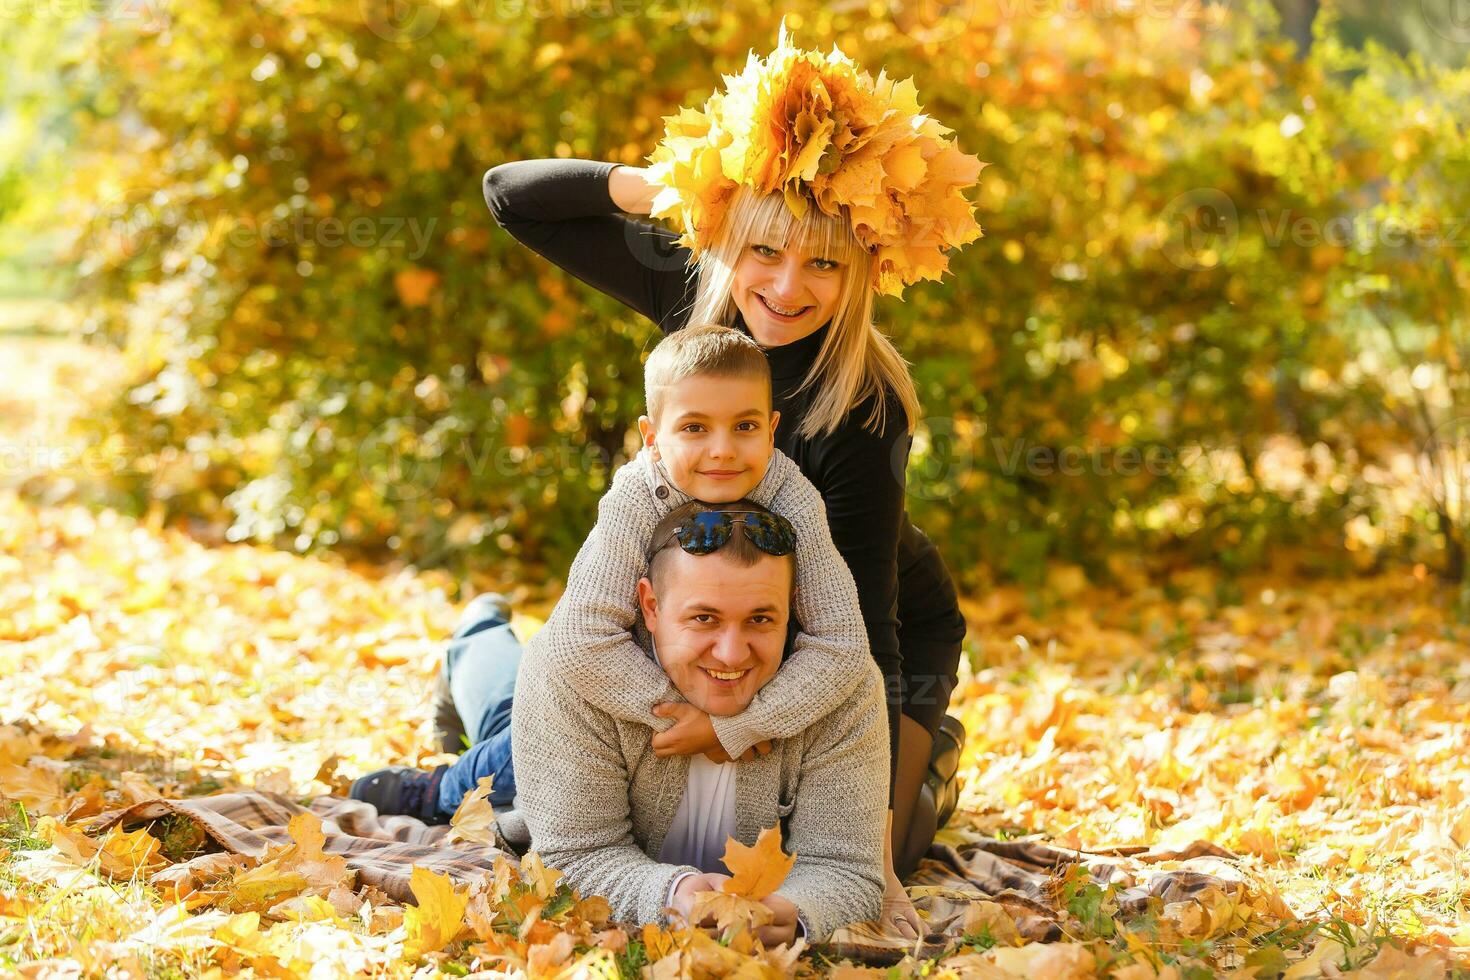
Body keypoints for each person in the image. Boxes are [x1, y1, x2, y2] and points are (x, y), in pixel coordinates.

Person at [477, 26, 983, 936]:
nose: (788, 287)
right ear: (730, 244)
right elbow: (513, 198)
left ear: (859, 271)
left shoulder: (861, 410)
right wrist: (683, 187)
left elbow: (863, 631)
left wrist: (852, 824)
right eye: (767, 251)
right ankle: (483, 652)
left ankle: (936, 760)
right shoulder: (699, 298)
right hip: (698, 601)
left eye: (824, 262)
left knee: (883, 852)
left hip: (861, 624)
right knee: (530, 771)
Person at [356, 322, 874, 819]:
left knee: (507, 708)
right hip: (610, 698)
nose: (722, 449)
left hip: (723, 682)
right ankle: (441, 781)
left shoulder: (795, 501)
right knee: (519, 744)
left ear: (772, 429)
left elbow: (843, 640)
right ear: (651, 436)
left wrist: (733, 726)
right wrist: (682, 718)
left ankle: (480, 638)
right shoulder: (635, 496)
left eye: (745, 426)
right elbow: (582, 638)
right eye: (695, 427)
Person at [360, 499, 891, 945]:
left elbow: (846, 867)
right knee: (503, 715)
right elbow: (576, 856)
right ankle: (477, 639)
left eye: (760, 619)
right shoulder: (572, 673)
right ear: (651, 606)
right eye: (703, 618)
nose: (732, 654)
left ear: (791, 610)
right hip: (541, 749)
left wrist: (792, 912)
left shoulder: (840, 688)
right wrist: (670, 895)